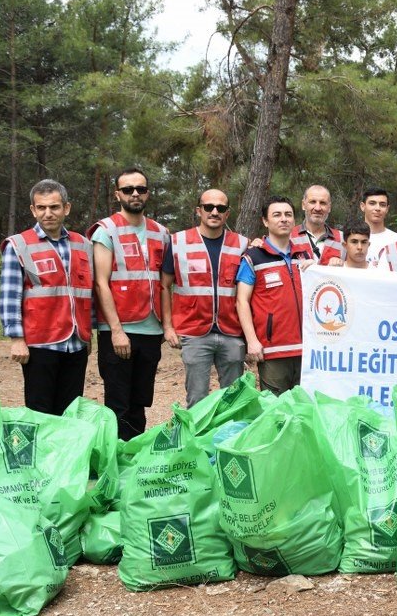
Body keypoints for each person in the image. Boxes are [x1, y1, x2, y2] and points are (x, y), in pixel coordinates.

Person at [90, 168, 171, 440]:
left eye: (140, 189)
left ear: (147, 193)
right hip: (118, 330)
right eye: (128, 189)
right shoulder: (106, 231)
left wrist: (165, 326)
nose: (134, 194)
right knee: (118, 402)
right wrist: (116, 330)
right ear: (118, 194)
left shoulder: (161, 233)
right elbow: (101, 283)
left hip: (150, 330)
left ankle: (133, 459)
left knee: (140, 400)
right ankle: (116, 459)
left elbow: (166, 284)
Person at [0, 179, 93, 415]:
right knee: (40, 412)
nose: (48, 213)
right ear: (33, 209)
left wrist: (87, 331)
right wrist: (16, 338)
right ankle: (41, 454)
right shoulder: (19, 245)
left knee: (70, 411)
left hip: (75, 343)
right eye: (41, 208)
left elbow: (86, 292)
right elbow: (10, 294)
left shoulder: (83, 244)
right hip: (40, 342)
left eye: (54, 207)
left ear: (66, 208)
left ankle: (66, 453)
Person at [160, 189, 247, 407]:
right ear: (199, 211)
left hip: (232, 332)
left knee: (233, 401)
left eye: (221, 208)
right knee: (197, 399)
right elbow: (164, 285)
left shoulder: (242, 245)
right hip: (194, 332)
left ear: (227, 214)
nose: (214, 212)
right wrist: (168, 327)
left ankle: (230, 441)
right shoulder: (178, 242)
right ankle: (197, 440)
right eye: (209, 207)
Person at [236, 196, 304, 394]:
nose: (283, 219)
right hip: (273, 350)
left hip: (306, 349)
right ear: (265, 221)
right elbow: (242, 301)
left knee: (304, 410)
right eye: (277, 215)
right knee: (275, 411)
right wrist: (252, 340)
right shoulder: (253, 257)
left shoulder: (304, 256)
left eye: (288, 214)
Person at [296, 184, 345, 264]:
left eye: (323, 203)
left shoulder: (342, 239)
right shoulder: (289, 236)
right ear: (303, 205)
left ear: (329, 207)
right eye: (312, 202)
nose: (317, 208)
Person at [361, 187, 397, 267]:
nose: (377, 208)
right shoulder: (351, 239)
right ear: (363, 206)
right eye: (372, 203)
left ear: (387, 209)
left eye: (382, 205)